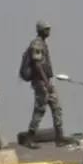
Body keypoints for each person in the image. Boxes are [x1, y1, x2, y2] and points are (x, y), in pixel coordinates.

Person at [21, 20, 74, 149]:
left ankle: (59, 137)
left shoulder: (42, 43)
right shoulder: (37, 44)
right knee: (40, 109)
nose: (49, 31)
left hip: (45, 81)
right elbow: (37, 65)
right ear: (41, 30)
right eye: (46, 29)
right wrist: (46, 82)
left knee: (56, 107)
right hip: (40, 82)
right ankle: (30, 137)